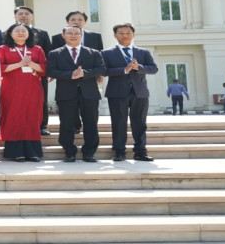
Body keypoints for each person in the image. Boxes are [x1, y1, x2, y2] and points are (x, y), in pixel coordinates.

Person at [47, 26, 106, 162]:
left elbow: (101, 69)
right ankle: (69, 152)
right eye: (69, 33)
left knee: (91, 123)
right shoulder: (55, 53)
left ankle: (89, 152)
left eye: (76, 33)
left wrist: (84, 73)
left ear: (81, 35)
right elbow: (51, 71)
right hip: (66, 93)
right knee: (66, 123)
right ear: (63, 36)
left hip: (89, 93)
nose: (73, 36)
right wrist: (70, 75)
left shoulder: (94, 52)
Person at [101, 23, 158, 162]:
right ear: (115, 35)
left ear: (133, 35)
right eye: (121, 33)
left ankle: (140, 152)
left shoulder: (143, 52)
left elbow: (154, 69)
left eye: (128, 33)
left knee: (140, 123)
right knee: (118, 122)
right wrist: (124, 70)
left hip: (140, 92)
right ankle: (119, 152)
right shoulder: (106, 53)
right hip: (117, 93)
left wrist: (139, 67)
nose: (125, 36)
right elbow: (103, 71)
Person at [0, 23, 47, 162]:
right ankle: (15, 152)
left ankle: (33, 152)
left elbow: (44, 69)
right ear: (10, 34)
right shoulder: (3, 48)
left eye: (23, 30)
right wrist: (20, 64)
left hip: (32, 89)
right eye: (17, 31)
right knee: (14, 117)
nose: (20, 33)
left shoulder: (37, 49)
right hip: (11, 89)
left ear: (29, 33)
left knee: (32, 117)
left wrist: (31, 64)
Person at [50, 10, 104, 135]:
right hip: (67, 81)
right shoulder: (58, 38)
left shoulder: (95, 36)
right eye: (73, 20)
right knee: (68, 115)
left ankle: (89, 149)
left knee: (90, 116)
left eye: (80, 20)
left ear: (85, 22)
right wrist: (57, 74)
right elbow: (54, 59)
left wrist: (97, 74)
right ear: (67, 22)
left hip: (88, 79)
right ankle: (75, 129)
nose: (76, 22)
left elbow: (101, 55)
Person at [13, 6, 53, 136]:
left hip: (37, 73)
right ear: (15, 17)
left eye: (27, 14)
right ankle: (18, 123)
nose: (23, 16)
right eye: (20, 14)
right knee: (17, 99)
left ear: (32, 16)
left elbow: (49, 54)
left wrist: (49, 72)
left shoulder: (42, 33)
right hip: (15, 74)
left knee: (41, 99)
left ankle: (42, 125)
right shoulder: (8, 33)